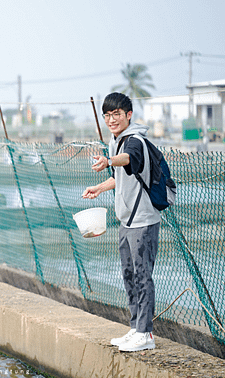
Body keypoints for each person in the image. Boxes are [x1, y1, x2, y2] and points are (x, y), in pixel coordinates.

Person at [82, 92, 160, 352]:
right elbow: (123, 177)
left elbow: (127, 160)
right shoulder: (116, 140)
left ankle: (146, 334)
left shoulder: (134, 140)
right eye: (107, 115)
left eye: (116, 114)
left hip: (143, 220)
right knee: (129, 275)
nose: (111, 119)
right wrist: (100, 187)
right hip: (127, 220)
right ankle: (136, 328)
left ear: (129, 114)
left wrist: (108, 160)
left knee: (142, 276)